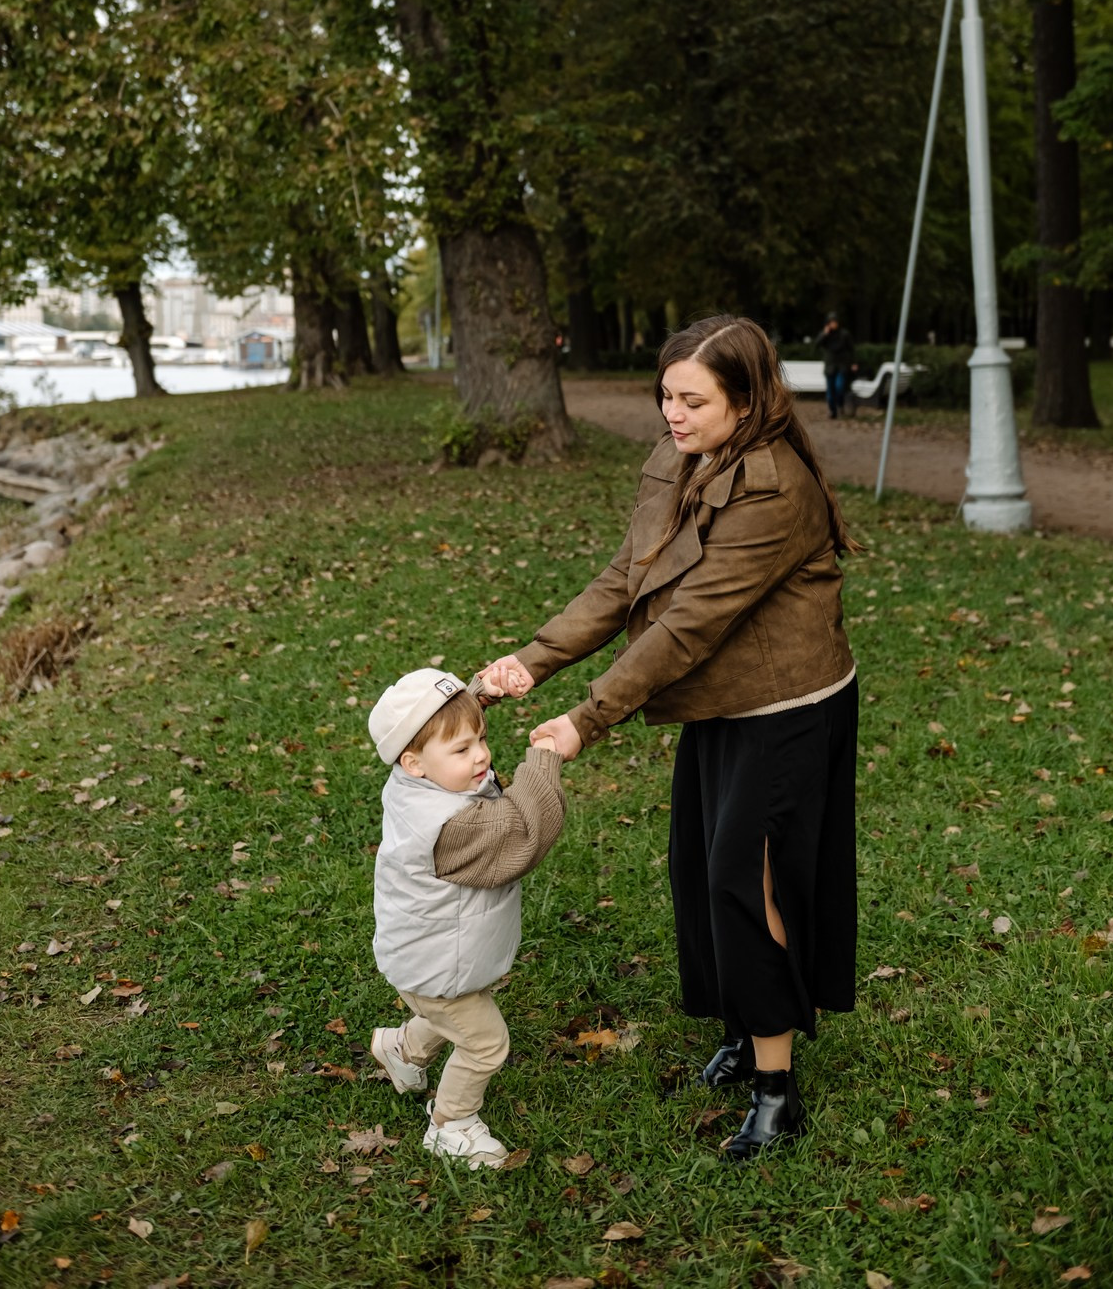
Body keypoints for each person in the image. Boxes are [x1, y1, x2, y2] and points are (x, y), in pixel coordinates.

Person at [481, 314, 859, 1161]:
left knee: (745, 883)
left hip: (784, 708)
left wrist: (587, 718)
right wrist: (533, 662)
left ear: (748, 398)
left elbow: (690, 623)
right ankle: (741, 1028)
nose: (673, 414)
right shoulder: (679, 457)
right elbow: (629, 577)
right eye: (665, 396)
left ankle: (777, 1090)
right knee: (699, 869)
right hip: (721, 703)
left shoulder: (774, 487)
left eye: (693, 400)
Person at [367, 667, 565, 1169]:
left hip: (430, 958)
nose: (480, 755)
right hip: (438, 967)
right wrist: (543, 762)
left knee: (452, 1010)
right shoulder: (451, 826)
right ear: (414, 762)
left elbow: (438, 725)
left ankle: (402, 1050)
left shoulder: (414, 781)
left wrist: (477, 695)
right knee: (485, 1044)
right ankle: (451, 1125)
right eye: (461, 750)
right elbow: (522, 830)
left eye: (480, 738)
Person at [815, 312, 856, 419]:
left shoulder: (844, 334)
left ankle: (840, 405)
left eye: (835, 322)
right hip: (830, 367)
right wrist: (824, 334)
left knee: (839, 388)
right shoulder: (825, 335)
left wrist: (853, 363)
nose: (833, 324)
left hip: (841, 366)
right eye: (831, 322)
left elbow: (851, 349)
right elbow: (816, 344)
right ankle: (833, 412)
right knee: (830, 393)